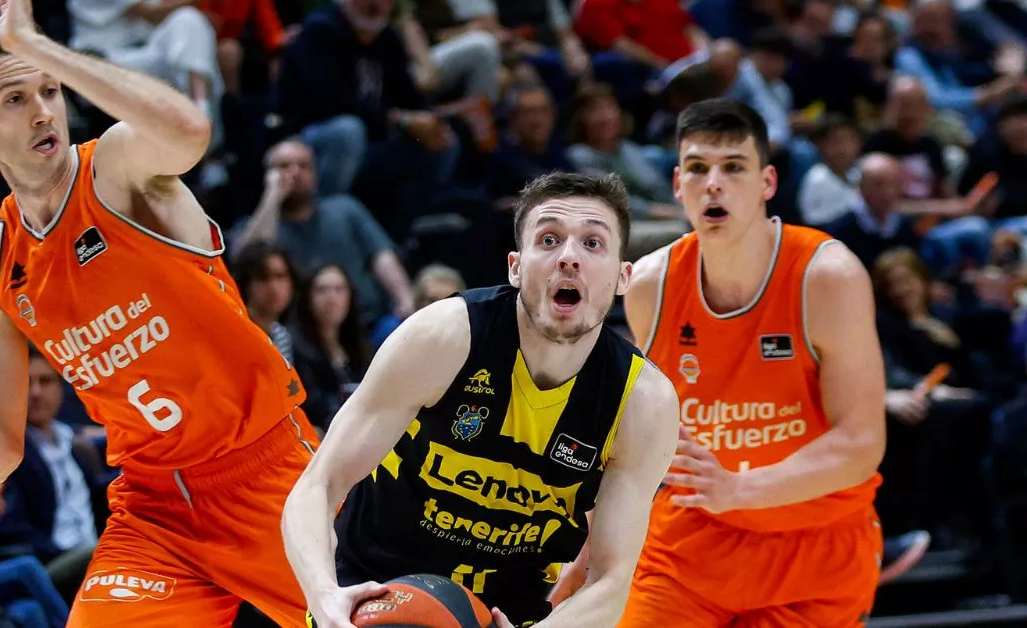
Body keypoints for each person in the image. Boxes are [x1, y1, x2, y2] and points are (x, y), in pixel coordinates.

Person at [0, 2, 318, 627]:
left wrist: (40, 47)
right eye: (14, 97)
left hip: (265, 470)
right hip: (154, 511)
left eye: (50, 90)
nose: (41, 110)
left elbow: (190, 130)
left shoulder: (117, 168)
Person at [282, 171, 681, 628]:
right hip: (375, 589)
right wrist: (324, 595)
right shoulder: (445, 336)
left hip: (509, 613)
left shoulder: (642, 401)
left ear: (622, 276)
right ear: (515, 266)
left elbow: (610, 580)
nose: (569, 257)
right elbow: (318, 484)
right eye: (549, 239)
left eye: (593, 244)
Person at [615, 98, 887, 626]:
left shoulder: (827, 275)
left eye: (732, 167)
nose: (712, 183)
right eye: (697, 168)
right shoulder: (650, 284)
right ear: (677, 185)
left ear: (767, 182)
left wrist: (738, 488)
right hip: (689, 548)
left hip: (814, 549)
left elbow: (861, 444)